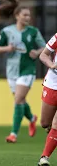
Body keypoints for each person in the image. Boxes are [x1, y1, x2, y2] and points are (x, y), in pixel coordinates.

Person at [0, 0, 45, 143]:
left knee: (18, 99)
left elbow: (45, 47)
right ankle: (32, 117)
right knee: (20, 100)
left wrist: (37, 52)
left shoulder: (33, 32)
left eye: (29, 15)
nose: (28, 17)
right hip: (12, 71)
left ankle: (13, 134)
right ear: (17, 16)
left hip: (28, 70)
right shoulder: (7, 31)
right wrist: (7, 48)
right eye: (25, 15)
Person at [37, 33, 57, 166]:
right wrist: (51, 64)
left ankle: (44, 158)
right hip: (53, 83)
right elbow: (43, 55)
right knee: (45, 123)